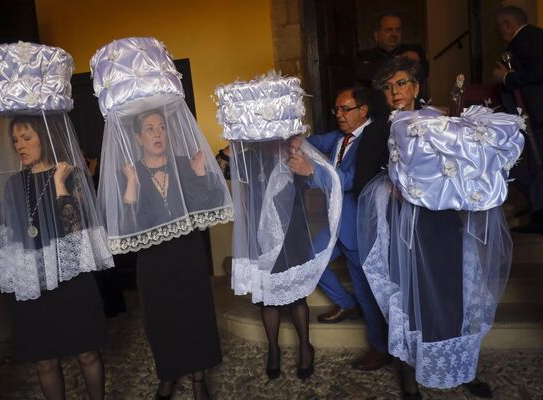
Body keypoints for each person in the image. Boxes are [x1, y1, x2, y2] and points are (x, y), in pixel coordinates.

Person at [359, 57, 523, 399]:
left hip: (443, 223)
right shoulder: (378, 129)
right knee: (408, 298)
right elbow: (362, 182)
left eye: (401, 83)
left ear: (417, 87)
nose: (395, 93)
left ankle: (462, 368)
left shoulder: (441, 120)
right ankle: (409, 377)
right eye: (387, 87)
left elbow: (463, 164)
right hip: (403, 227)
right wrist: (393, 185)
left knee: (453, 294)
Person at [0, 42, 114, 400]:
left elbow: (78, 232)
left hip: (71, 277)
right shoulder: (16, 184)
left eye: (27, 137)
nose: (19, 144)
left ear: (44, 137)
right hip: (34, 280)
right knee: (46, 362)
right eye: (15, 138)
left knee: (87, 352)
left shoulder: (71, 174)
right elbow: (15, 231)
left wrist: (62, 187)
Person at [92, 37, 234, 400]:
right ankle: (168, 374)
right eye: (149, 129)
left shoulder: (186, 164)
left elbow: (206, 212)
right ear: (138, 137)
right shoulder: (132, 172)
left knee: (196, 316)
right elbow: (128, 222)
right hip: (153, 262)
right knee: (161, 321)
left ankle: (200, 380)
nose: (157, 134)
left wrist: (201, 175)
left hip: (187, 254)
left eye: (161, 127)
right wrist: (129, 187)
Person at [215, 72, 342, 382]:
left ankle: (304, 346)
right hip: (258, 232)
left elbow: (314, 180)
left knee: (296, 297)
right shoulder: (247, 153)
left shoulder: (292, 150)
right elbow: (219, 171)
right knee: (266, 297)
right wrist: (233, 142)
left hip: (291, 232)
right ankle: (273, 348)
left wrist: (299, 152)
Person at [288, 86, 390, 371]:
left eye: (346, 109)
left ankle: (380, 348)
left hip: (357, 226)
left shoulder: (372, 138)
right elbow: (313, 142)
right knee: (308, 260)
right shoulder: (338, 137)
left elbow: (350, 180)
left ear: (363, 110)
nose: (340, 115)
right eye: (337, 109)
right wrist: (296, 139)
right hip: (330, 221)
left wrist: (312, 170)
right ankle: (346, 303)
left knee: (368, 290)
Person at [493, 5, 543, 234]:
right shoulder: (534, 36)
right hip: (535, 113)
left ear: (507, 24)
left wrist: (507, 77)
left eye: (499, 27)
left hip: (538, 113)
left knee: (536, 163)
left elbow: (537, 72)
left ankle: (540, 214)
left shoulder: (526, 39)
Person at [355, 13, 429, 115]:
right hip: (378, 114)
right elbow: (363, 74)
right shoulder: (365, 56)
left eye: (397, 30)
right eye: (389, 30)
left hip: (412, 115)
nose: (394, 34)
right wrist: (401, 59)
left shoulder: (414, 50)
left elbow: (423, 73)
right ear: (376, 35)